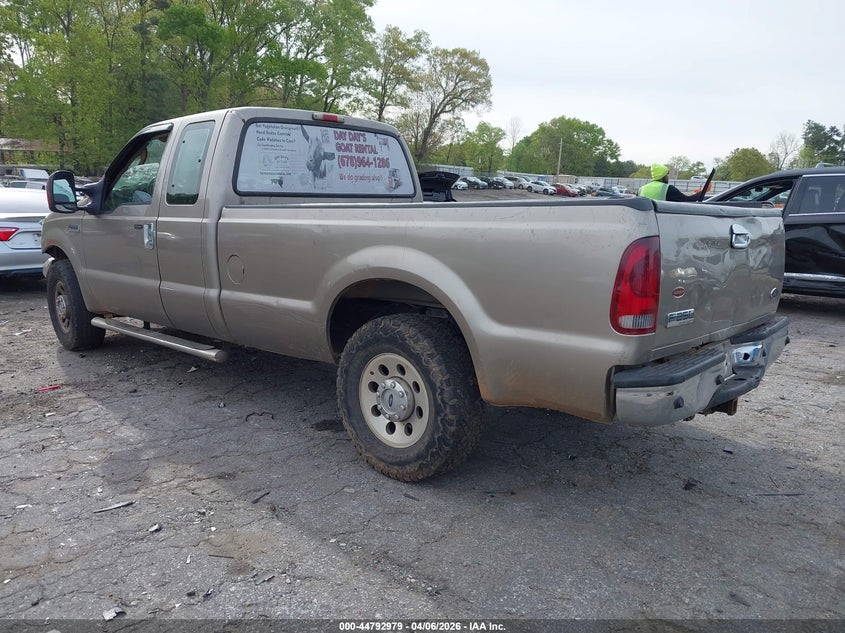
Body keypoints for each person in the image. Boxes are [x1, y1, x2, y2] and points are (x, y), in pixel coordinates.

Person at [638, 164, 702, 202]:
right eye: (667, 175)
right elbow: (687, 201)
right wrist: (702, 192)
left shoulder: (641, 189)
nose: (667, 177)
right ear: (663, 176)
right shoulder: (668, 188)